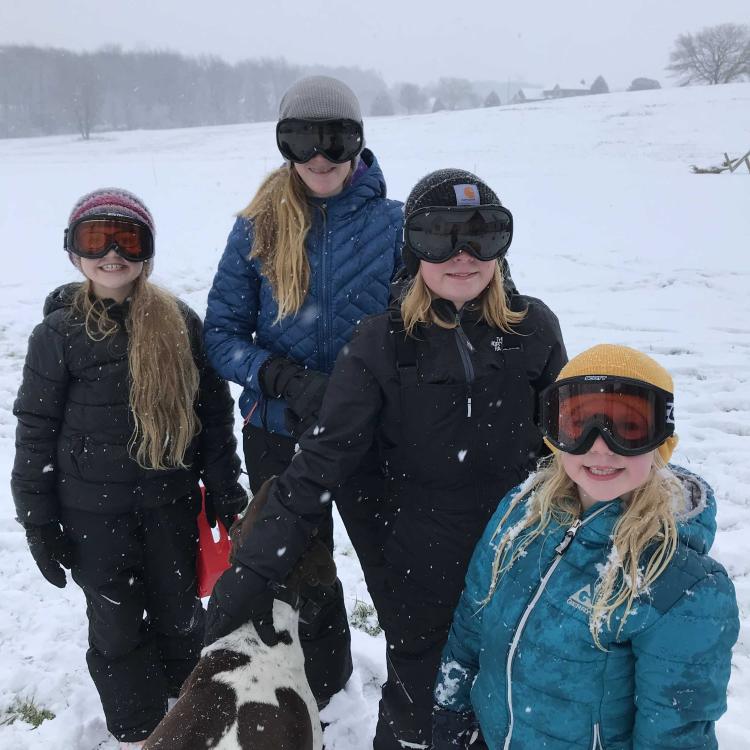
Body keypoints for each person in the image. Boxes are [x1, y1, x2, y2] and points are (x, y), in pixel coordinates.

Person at [204, 168, 567, 749]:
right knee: (420, 719)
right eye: (438, 238)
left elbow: (568, 453)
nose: (462, 257)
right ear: (411, 248)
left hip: (517, 563)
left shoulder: (534, 331)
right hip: (419, 570)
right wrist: (252, 570)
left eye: (483, 236)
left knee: (511, 709)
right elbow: (320, 461)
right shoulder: (379, 343)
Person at [11, 188, 247, 749]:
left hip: (170, 504)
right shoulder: (57, 335)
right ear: (73, 253)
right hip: (92, 514)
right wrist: (38, 522)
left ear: (148, 252)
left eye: (128, 239)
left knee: (179, 612)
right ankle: (137, 729)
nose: (112, 252)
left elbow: (211, 414)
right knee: (116, 625)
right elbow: (34, 429)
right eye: (96, 239)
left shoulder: (180, 323)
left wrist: (223, 490)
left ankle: (180, 705)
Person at [203, 75, 404, 706]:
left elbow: (418, 332)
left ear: (358, 142)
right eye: (300, 139)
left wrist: (361, 390)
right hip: (278, 432)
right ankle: (323, 683)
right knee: (300, 571)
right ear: (283, 144)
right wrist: (283, 378)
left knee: (397, 564)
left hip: (375, 436)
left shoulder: (397, 226)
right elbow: (221, 333)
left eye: (336, 139)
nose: (319, 156)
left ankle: (419, 678)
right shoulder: (257, 227)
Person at [432, 344, 740, 750]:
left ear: (661, 440)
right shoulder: (521, 511)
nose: (600, 446)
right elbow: (474, 616)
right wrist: (451, 710)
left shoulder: (682, 587)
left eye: (628, 428)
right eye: (578, 426)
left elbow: (675, 736)